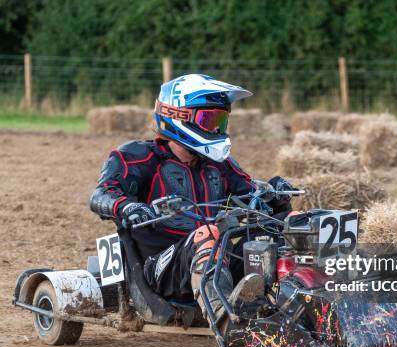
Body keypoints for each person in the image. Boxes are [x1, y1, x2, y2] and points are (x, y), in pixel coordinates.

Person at [89, 74, 292, 320]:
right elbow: (102, 194)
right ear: (177, 116)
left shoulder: (219, 165)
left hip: (219, 257)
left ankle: (306, 308)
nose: (216, 129)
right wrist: (127, 207)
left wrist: (274, 195)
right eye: (208, 120)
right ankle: (228, 323)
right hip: (158, 269)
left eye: (221, 120)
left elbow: (251, 194)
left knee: (288, 226)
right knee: (207, 235)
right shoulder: (139, 157)